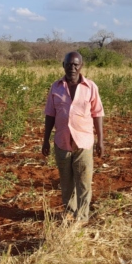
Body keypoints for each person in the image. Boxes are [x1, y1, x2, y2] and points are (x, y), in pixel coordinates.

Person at [42, 51, 105, 222]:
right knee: (66, 182)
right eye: (69, 64)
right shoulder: (56, 87)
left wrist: (100, 141)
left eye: (76, 64)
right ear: (63, 65)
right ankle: (70, 212)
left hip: (83, 142)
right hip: (62, 142)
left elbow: (97, 113)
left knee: (84, 182)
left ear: (81, 66)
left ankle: (82, 217)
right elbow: (50, 114)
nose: (72, 68)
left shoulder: (91, 87)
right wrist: (45, 140)